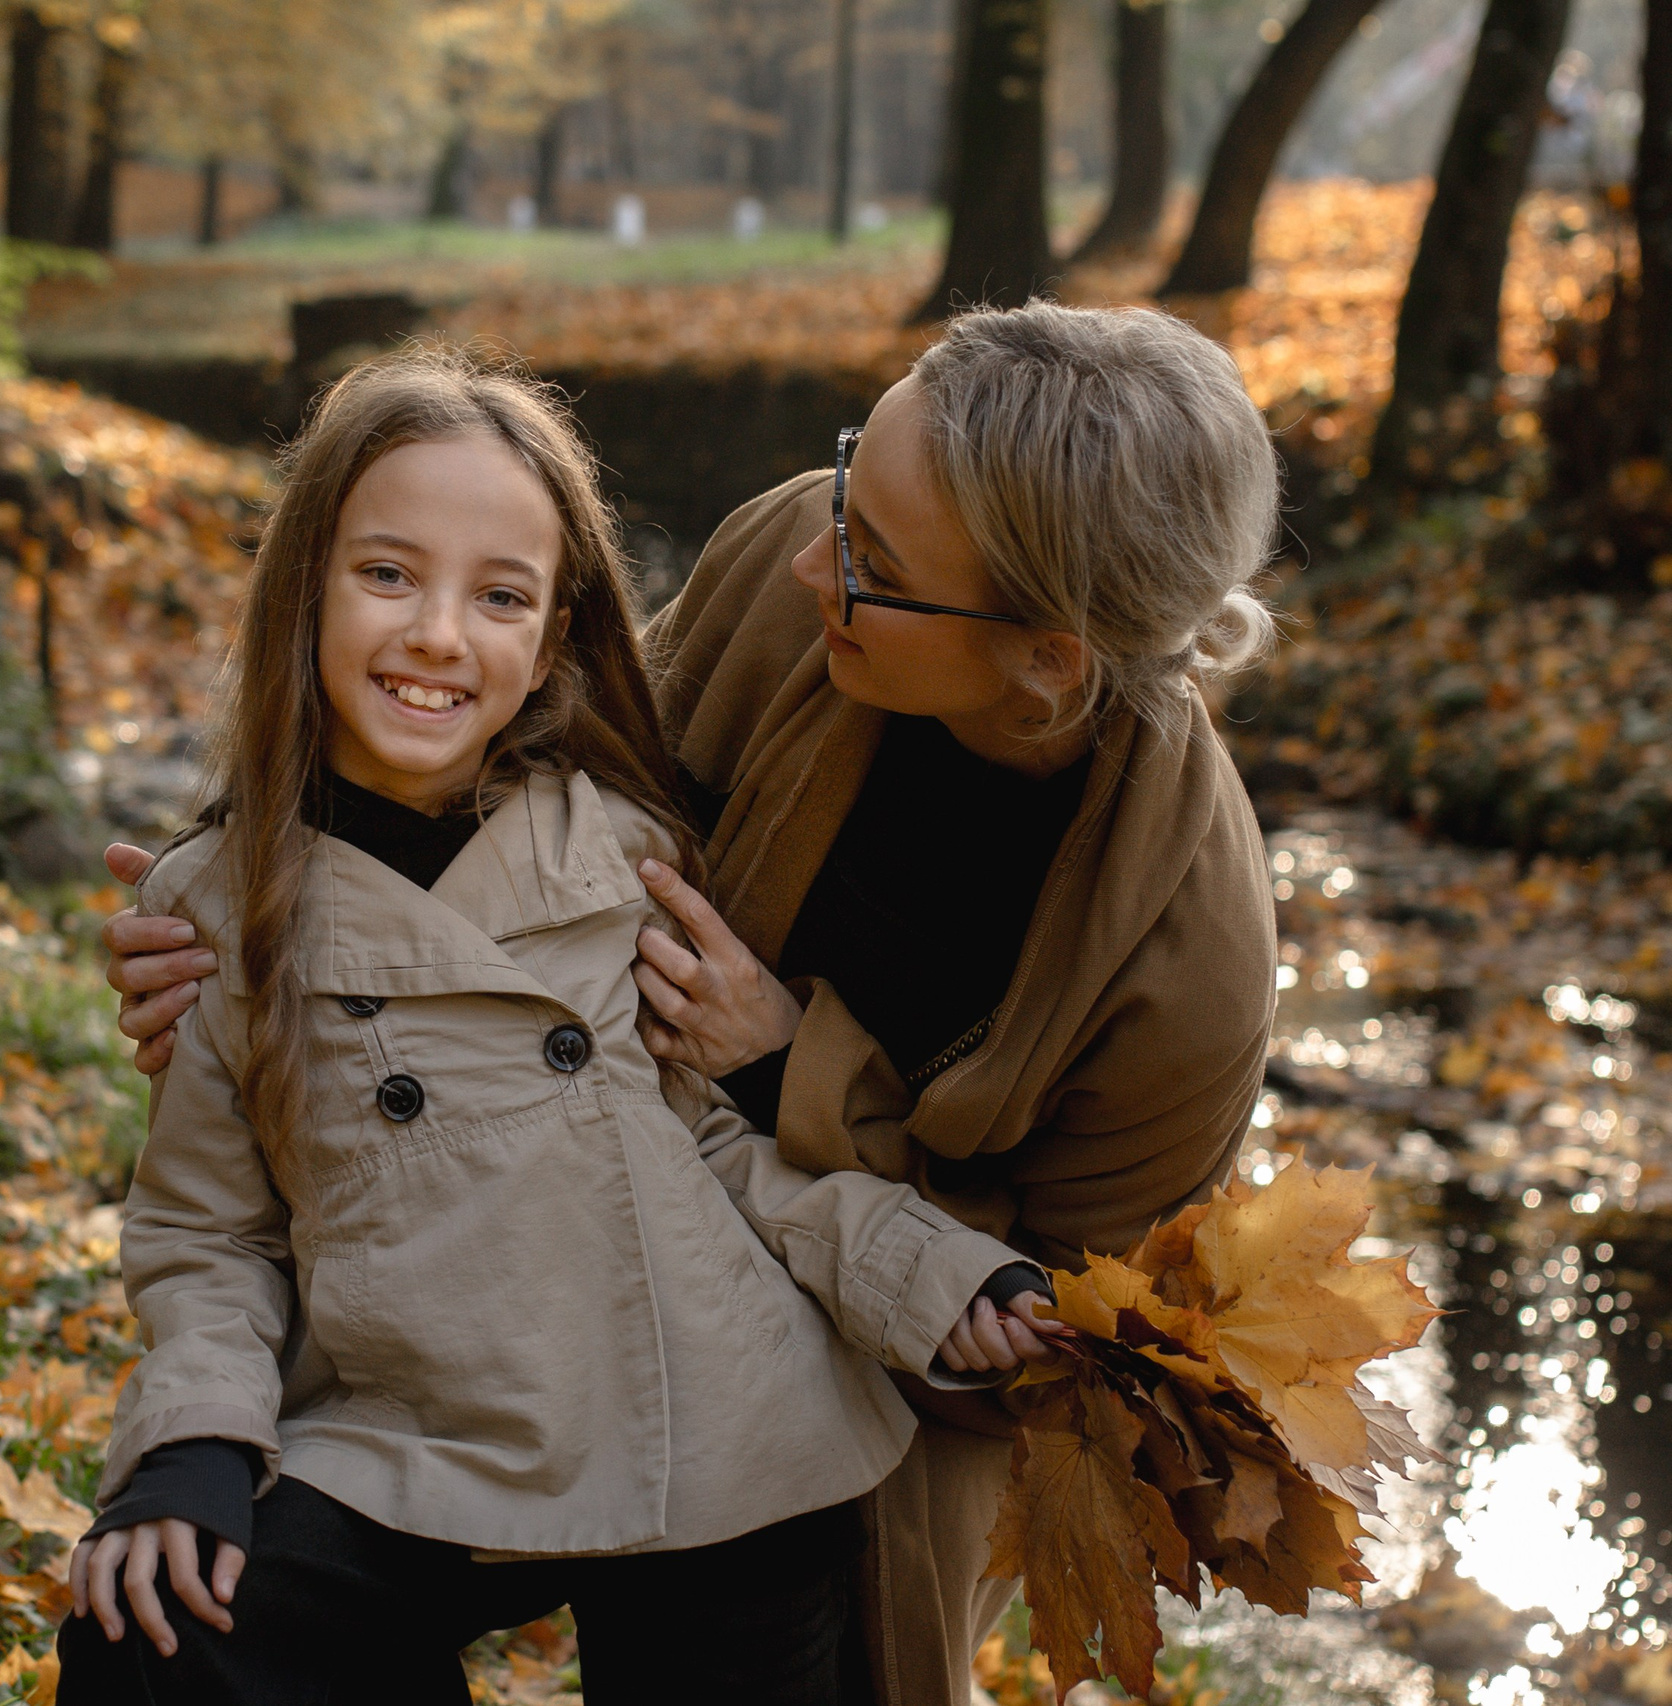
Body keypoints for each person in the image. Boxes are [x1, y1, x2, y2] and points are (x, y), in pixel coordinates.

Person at [102, 304, 1284, 1706]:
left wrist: (791, 1072)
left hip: (837, 1355)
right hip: (452, 1339)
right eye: (845, 487)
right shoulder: (792, 572)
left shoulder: (1188, 965)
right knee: (198, 1631)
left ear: (1049, 658)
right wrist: (255, 916)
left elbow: (1056, 1339)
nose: (810, 557)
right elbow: (503, 762)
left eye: (874, 561)